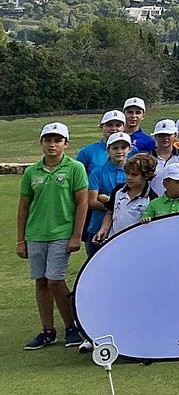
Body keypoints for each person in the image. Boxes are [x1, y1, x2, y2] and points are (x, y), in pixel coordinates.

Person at [18, 123, 89, 350]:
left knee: (55, 281)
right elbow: (23, 206)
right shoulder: (32, 171)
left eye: (57, 140)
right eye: (48, 140)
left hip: (61, 233)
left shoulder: (75, 168)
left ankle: (71, 327)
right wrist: (21, 239)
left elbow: (82, 203)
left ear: (65, 144)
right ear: (41, 142)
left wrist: (77, 235)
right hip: (35, 233)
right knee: (41, 281)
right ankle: (47, 330)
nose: (52, 144)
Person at [92, 153, 157, 243]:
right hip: (114, 241)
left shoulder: (152, 198)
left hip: (137, 243)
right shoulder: (118, 190)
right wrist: (103, 230)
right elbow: (110, 213)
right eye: (127, 174)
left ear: (146, 175)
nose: (129, 178)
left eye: (134, 175)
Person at [85, 131, 130, 257]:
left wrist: (107, 199)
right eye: (115, 148)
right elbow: (92, 201)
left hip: (125, 228)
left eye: (123, 147)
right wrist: (120, 205)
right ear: (108, 150)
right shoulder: (97, 172)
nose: (119, 151)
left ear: (130, 149)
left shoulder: (134, 172)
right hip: (98, 227)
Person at [77, 110, 129, 179]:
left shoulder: (132, 151)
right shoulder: (87, 152)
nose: (114, 128)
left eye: (118, 125)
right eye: (109, 125)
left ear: (123, 127)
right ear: (101, 127)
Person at [148, 119, 179, 195]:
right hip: (153, 203)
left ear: (175, 135)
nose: (165, 138)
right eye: (161, 135)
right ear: (155, 136)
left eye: (168, 135)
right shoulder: (147, 159)